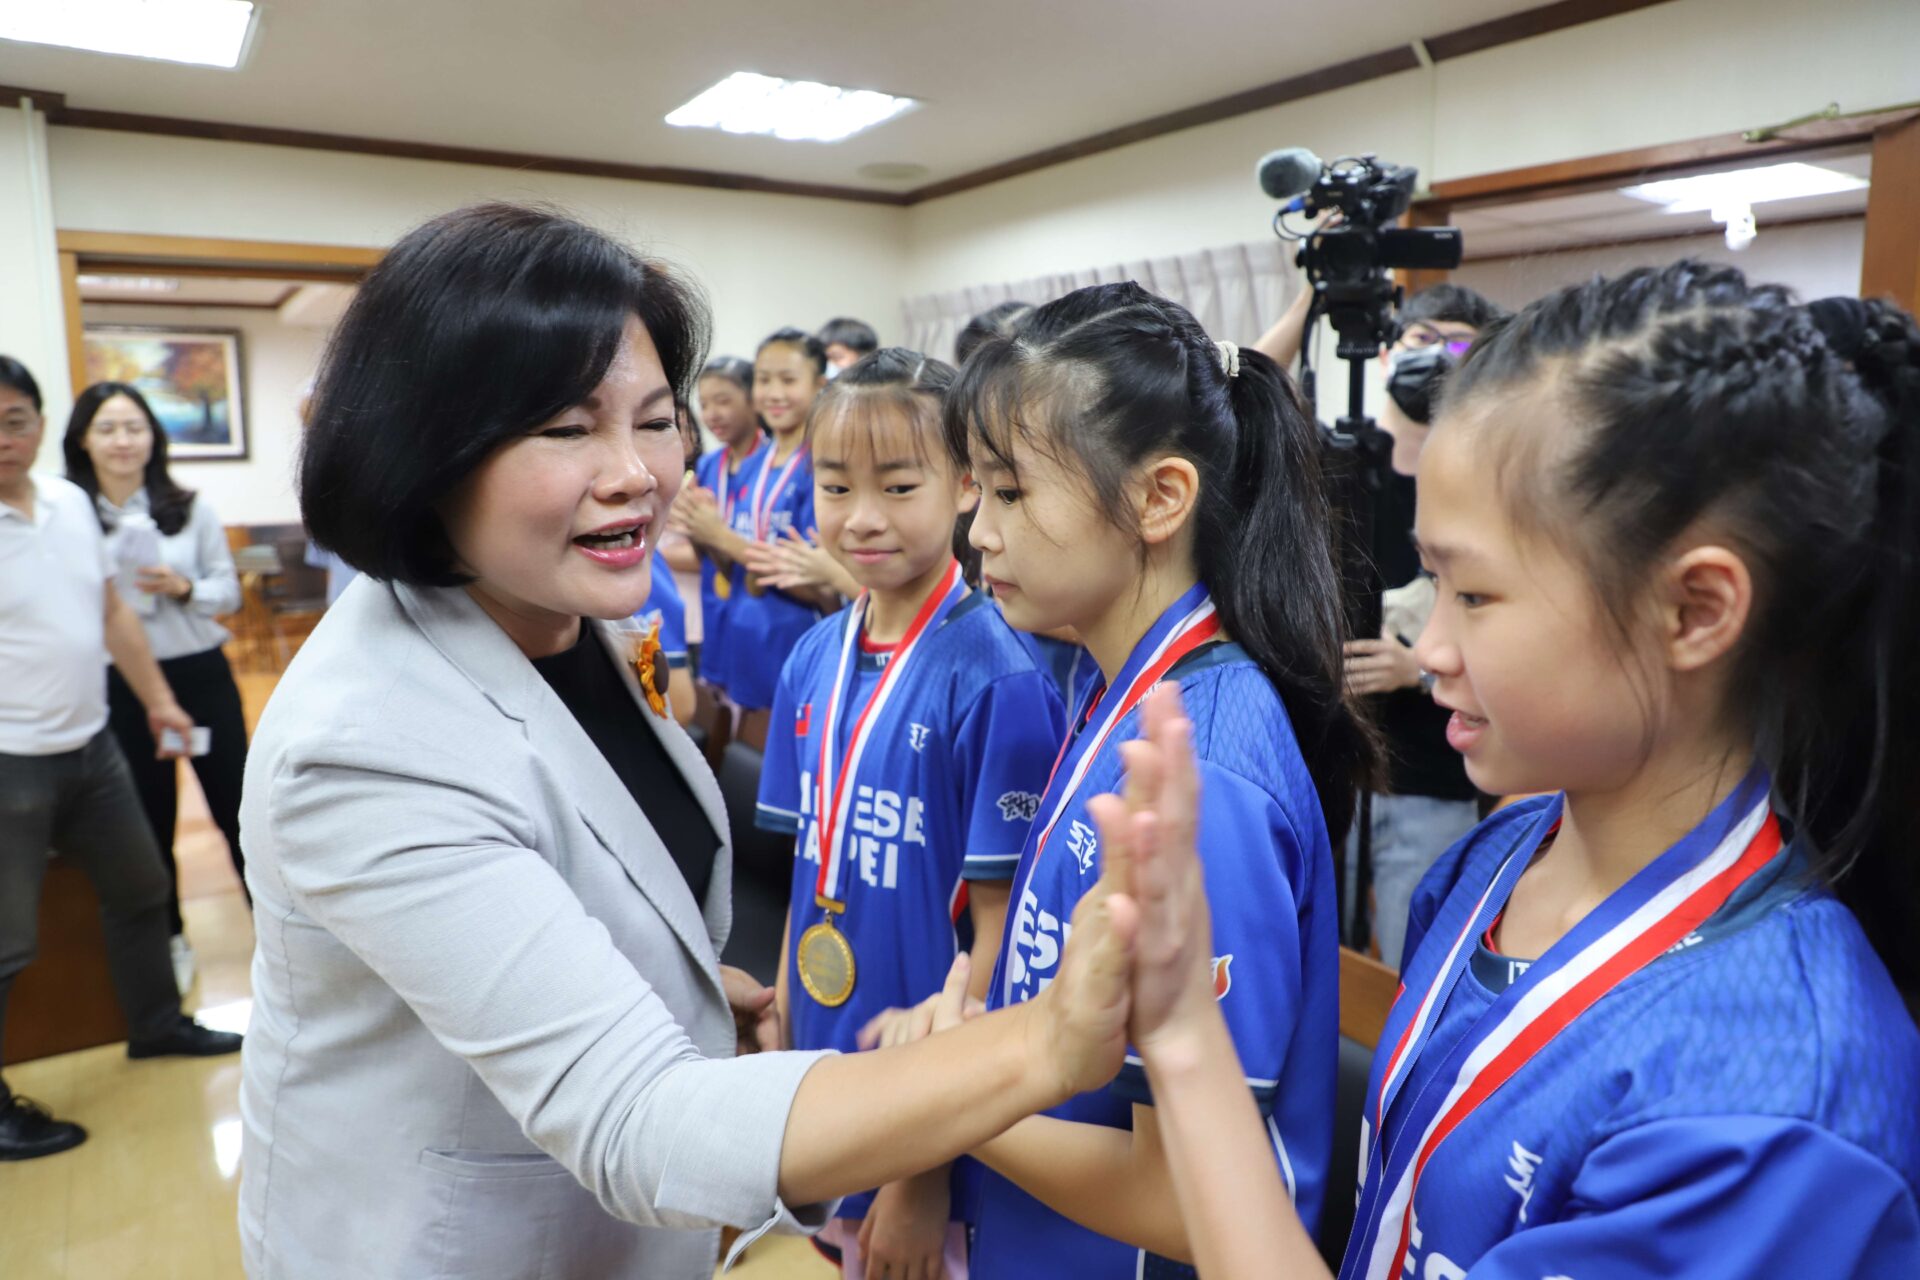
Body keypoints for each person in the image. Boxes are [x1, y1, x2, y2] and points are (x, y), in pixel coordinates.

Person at [238, 202, 1140, 1279]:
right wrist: (1042, 1046)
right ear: (426, 449)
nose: (636, 472)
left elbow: (561, 887)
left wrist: (679, 982)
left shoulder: (574, 619)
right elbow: (636, 1114)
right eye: (568, 429)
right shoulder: (369, 744)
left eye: (656, 418)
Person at [1084, 264, 1920, 1279]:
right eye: (1433, 583)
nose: (1429, 646)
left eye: (1474, 594)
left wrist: (1183, 1036)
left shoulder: (1769, 1100)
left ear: (1695, 610)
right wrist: (1175, 1019)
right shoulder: (1497, 860)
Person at [938, 282, 1374, 1276]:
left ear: (1159, 497)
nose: (979, 535)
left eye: (1010, 493)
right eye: (978, 491)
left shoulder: (1204, 769)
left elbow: (1182, 1199)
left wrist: (941, 1096)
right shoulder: (1116, 684)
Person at [756, 348, 1068, 1277]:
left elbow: (1000, 941)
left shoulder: (999, 677)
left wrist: (922, 1170)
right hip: (824, 1077)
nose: (861, 518)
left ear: (966, 484)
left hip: (930, 1125)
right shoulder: (812, 657)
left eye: (897, 486)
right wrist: (779, 1023)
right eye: (835, 484)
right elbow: (809, 875)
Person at [0, 356, 243, 1163]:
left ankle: (156, 1026)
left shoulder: (68, 505)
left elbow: (111, 612)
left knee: (141, 890)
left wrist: (162, 701)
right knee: (8, 937)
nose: (5, 438)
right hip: (12, 757)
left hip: (95, 737)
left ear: (40, 425)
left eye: (16, 419)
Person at [1334, 284, 1506, 968]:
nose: (1437, 355)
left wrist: (1420, 669)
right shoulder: (1335, 471)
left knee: (1419, 964)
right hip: (1332, 768)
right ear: (1384, 354)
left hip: (1431, 777)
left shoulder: (1484, 489)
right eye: (1422, 338)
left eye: (1458, 344)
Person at [65, 380, 251, 992]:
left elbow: (229, 593)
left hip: (198, 672)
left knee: (238, 807)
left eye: (135, 427)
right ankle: (170, 937)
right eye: (108, 428)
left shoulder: (189, 507)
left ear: (153, 437)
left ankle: (276, 926)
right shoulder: (67, 513)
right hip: (118, 683)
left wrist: (185, 587)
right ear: (83, 440)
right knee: (147, 817)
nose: (123, 440)